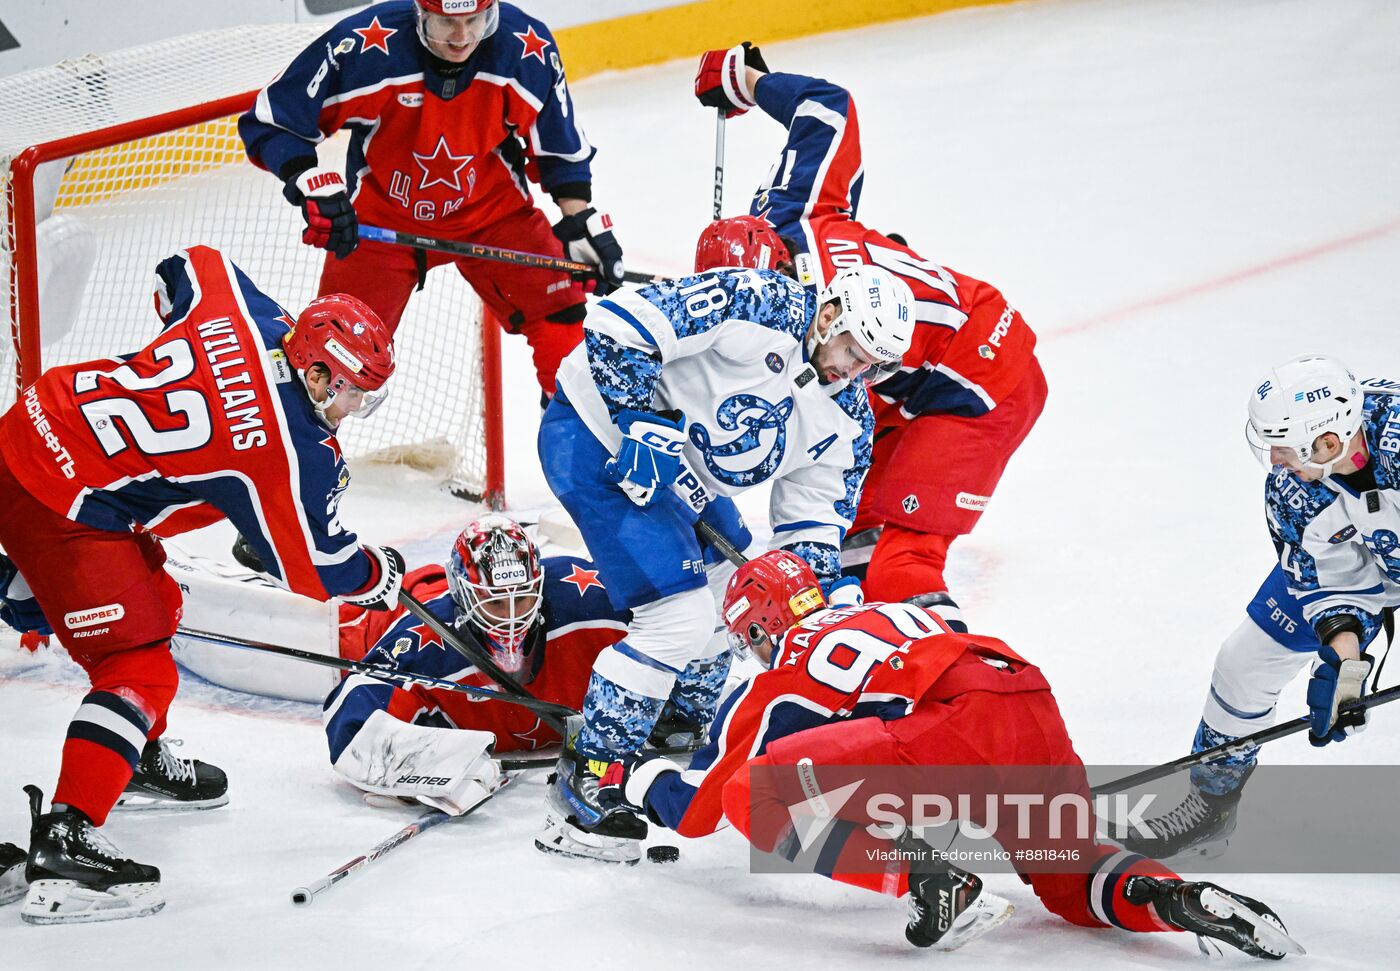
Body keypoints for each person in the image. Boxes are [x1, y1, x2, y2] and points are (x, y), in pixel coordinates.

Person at [599, 552, 1301, 959]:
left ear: (761, 623)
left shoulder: (783, 666)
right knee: (1070, 872)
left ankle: (930, 878)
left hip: (951, 719)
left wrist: (634, 774)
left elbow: (696, 813)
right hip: (1023, 692)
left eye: (749, 635)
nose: (751, 648)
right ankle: (1174, 900)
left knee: (750, 792)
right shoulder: (877, 607)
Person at [0, 243, 403, 924]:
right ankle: (66, 840)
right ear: (312, 372)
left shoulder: (247, 311)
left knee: (161, 601)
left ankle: (123, 749)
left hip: (41, 419)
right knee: (138, 663)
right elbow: (320, 570)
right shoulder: (291, 448)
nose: (353, 407)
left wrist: (186, 366)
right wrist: (381, 574)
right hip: (60, 500)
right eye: (351, 392)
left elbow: (181, 268)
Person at [534, 262, 913, 862]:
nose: (855, 370)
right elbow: (616, 319)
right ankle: (593, 770)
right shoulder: (760, 302)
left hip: (682, 474)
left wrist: (801, 590)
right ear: (832, 312)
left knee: (733, 594)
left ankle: (668, 717)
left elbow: (816, 518)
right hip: (595, 435)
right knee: (677, 619)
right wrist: (637, 417)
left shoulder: (850, 421)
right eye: (852, 349)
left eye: (872, 364)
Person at [692, 44, 1048, 605]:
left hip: (985, 380)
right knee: (844, 539)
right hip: (902, 365)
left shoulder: (799, 335)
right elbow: (825, 108)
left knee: (901, 566)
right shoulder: (788, 213)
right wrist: (748, 80)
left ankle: (957, 685)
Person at [239, 0, 625, 397]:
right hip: (379, 224)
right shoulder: (365, 45)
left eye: (475, 20)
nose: (462, 38)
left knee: (562, 323)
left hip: (493, 216)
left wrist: (579, 219)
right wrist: (309, 180)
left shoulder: (525, 46)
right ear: (419, 12)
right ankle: (305, 456)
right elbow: (271, 120)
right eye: (446, 22)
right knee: (330, 358)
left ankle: (580, 449)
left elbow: (558, 148)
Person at [1127, 357, 1398, 858]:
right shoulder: (1294, 486)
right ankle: (1210, 806)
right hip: (1369, 554)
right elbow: (1327, 577)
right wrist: (1346, 657)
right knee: (1243, 664)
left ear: (1329, 442)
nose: (1274, 459)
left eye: (1284, 445)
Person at [323, 513, 638, 815]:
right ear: (462, 596)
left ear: (539, 586)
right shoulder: (424, 645)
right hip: (397, 608)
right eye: (496, 603)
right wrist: (435, 763)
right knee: (353, 628)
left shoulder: (592, 603)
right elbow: (351, 722)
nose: (512, 616)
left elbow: (673, 624)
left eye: (523, 598)